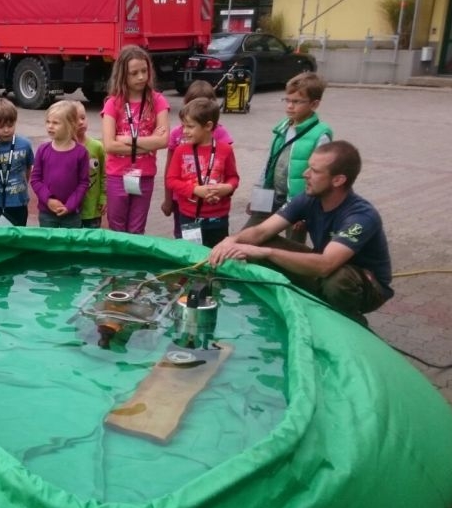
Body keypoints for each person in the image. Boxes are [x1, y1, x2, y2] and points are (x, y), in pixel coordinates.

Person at [209, 141, 392, 321]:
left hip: (367, 286)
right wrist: (231, 240)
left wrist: (267, 252)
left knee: (337, 279)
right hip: (324, 269)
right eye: (308, 167)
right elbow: (261, 232)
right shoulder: (309, 198)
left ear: (338, 180)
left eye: (315, 171)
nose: (305, 174)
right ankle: (291, 304)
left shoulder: (361, 216)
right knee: (253, 244)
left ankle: (350, 322)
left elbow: (326, 264)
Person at [246, 72, 332, 243]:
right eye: (287, 100)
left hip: (298, 202)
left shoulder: (320, 134)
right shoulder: (282, 127)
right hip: (272, 195)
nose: (290, 106)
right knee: (249, 235)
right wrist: (257, 197)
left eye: (297, 102)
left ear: (314, 104)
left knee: (293, 244)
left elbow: (321, 176)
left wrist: (307, 211)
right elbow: (269, 162)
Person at [100, 45, 169, 234]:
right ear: (123, 75)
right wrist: (147, 144)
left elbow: (163, 141)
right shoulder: (113, 103)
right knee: (117, 228)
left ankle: (132, 264)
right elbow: (109, 145)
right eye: (134, 73)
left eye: (144, 71)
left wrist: (127, 139)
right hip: (117, 175)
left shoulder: (158, 101)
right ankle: (115, 264)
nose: (141, 77)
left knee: (137, 229)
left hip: (144, 176)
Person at [162, 80, 234, 238]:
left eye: (190, 126)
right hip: (188, 213)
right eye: (183, 126)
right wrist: (195, 190)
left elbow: (233, 177)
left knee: (216, 255)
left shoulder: (225, 149)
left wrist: (226, 189)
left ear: (208, 125)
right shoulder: (181, 150)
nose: (184, 131)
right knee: (189, 253)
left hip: (218, 216)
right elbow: (171, 179)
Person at [29, 101, 90, 228]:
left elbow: (83, 183)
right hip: (47, 213)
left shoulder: (81, 153)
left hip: (72, 214)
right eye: (48, 122)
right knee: (48, 246)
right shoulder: (42, 150)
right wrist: (48, 200)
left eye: (55, 123)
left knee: (70, 246)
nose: (50, 126)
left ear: (71, 125)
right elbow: (35, 180)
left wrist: (70, 206)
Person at [0, 97, 34, 227]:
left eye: (10, 125)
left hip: (18, 203)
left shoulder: (25, 144)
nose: (6, 130)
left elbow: (28, 170)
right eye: (0, 126)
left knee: (17, 241)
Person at [71, 100, 106, 229]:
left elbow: (104, 174)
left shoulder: (97, 147)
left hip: (93, 210)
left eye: (83, 117)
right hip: (71, 211)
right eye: (75, 119)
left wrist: (103, 197)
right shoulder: (65, 148)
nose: (81, 122)